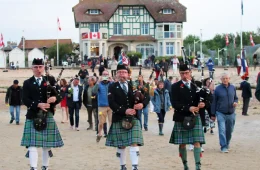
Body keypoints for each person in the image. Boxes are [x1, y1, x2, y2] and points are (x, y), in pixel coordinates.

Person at [21, 58, 63, 170]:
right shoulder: (27, 83)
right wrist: (38, 104)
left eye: (40, 67)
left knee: (46, 144)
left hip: (47, 115)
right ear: (32, 68)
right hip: (33, 115)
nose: (38, 69)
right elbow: (25, 99)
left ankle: (45, 166)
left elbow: (59, 95)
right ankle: (33, 167)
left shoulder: (50, 80)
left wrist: (55, 98)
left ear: (43, 68)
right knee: (32, 144)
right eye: (35, 67)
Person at [106, 64, 145, 170]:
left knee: (134, 141)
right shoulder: (112, 86)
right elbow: (112, 103)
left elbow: (146, 97)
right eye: (120, 72)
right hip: (119, 117)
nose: (122, 74)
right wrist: (125, 110)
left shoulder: (134, 85)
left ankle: (134, 167)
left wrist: (142, 104)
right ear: (117, 74)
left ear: (128, 74)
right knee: (121, 144)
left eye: (124, 72)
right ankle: (122, 166)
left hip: (134, 118)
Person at [169, 63, 206, 170]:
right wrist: (189, 108)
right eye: (182, 73)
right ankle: (185, 165)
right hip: (181, 117)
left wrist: (203, 104)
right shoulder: (175, 86)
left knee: (197, 142)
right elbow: (175, 103)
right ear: (180, 74)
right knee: (182, 144)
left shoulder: (197, 85)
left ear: (190, 73)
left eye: (186, 73)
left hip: (195, 117)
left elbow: (206, 97)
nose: (184, 75)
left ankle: (198, 166)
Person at [211, 73, 238, 153]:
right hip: (220, 113)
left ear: (229, 79)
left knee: (229, 130)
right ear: (221, 79)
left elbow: (236, 98)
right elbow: (214, 102)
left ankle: (227, 143)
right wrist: (213, 114)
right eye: (223, 78)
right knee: (222, 130)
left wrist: (235, 102)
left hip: (231, 113)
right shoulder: (218, 89)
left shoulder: (233, 88)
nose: (225, 80)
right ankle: (223, 146)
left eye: (226, 78)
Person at [93, 70, 113, 142]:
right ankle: (99, 134)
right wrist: (98, 82)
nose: (105, 76)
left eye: (106, 74)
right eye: (104, 74)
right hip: (102, 106)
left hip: (111, 106)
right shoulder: (99, 84)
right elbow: (94, 91)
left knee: (111, 121)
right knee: (101, 122)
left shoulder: (111, 83)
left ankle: (110, 136)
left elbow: (117, 89)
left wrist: (112, 81)